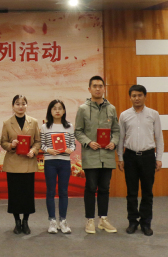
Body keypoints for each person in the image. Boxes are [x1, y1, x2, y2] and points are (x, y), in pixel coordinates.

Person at [75, 75, 120, 234]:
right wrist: (88, 142)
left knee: (105, 188)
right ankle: (90, 220)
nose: (98, 89)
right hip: (91, 155)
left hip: (107, 155)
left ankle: (103, 219)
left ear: (104, 88)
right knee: (91, 187)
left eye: (100, 86)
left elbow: (116, 130)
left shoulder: (111, 108)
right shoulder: (83, 109)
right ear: (89, 89)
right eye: (94, 86)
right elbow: (78, 131)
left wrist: (114, 142)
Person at [117, 84, 164, 236]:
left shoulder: (153, 114)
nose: (136, 98)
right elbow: (120, 138)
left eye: (139, 95)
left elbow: (159, 137)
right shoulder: (124, 115)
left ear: (145, 96)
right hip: (130, 156)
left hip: (148, 156)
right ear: (130, 97)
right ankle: (132, 221)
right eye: (134, 96)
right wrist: (120, 157)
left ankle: (146, 223)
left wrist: (159, 158)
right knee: (131, 192)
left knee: (147, 192)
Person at [0, 95, 41, 235]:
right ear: (13, 106)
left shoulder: (33, 122)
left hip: (28, 162)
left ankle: (26, 221)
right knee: (15, 195)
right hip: (13, 163)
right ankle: (17, 222)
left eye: (23, 103)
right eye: (17, 104)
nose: (20, 106)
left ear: (27, 105)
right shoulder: (7, 123)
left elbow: (38, 141)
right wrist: (11, 145)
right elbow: (3, 142)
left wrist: (33, 150)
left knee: (28, 194)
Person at [40, 99, 76, 234]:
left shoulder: (69, 126)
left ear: (64, 111)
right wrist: (48, 150)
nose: (57, 111)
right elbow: (41, 144)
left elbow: (73, 144)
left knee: (63, 192)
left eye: (60, 108)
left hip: (64, 162)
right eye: (54, 108)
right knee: (50, 191)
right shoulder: (45, 127)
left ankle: (63, 221)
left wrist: (70, 149)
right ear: (50, 111)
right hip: (50, 162)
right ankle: (52, 221)